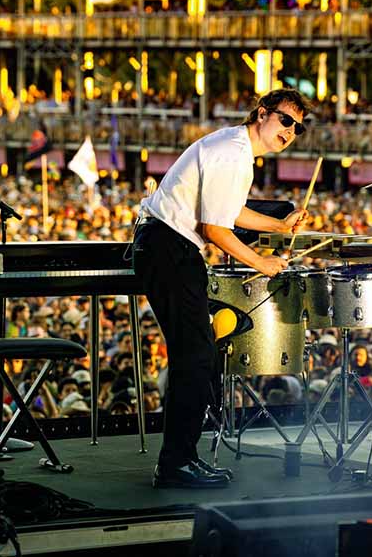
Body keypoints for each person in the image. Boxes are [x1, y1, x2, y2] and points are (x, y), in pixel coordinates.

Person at [133, 87, 311, 489]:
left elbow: (228, 212)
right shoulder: (234, 152)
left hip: (169, 248)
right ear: (262, 113)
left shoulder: (235, 149)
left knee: (196, 357)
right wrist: (262, 262)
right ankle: (177, 462)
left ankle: (180, 459)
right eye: (285, 120)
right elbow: (215, 229)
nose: (290, 131)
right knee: (195, 358)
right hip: (170, 248)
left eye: (297, 128)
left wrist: (280, 225)